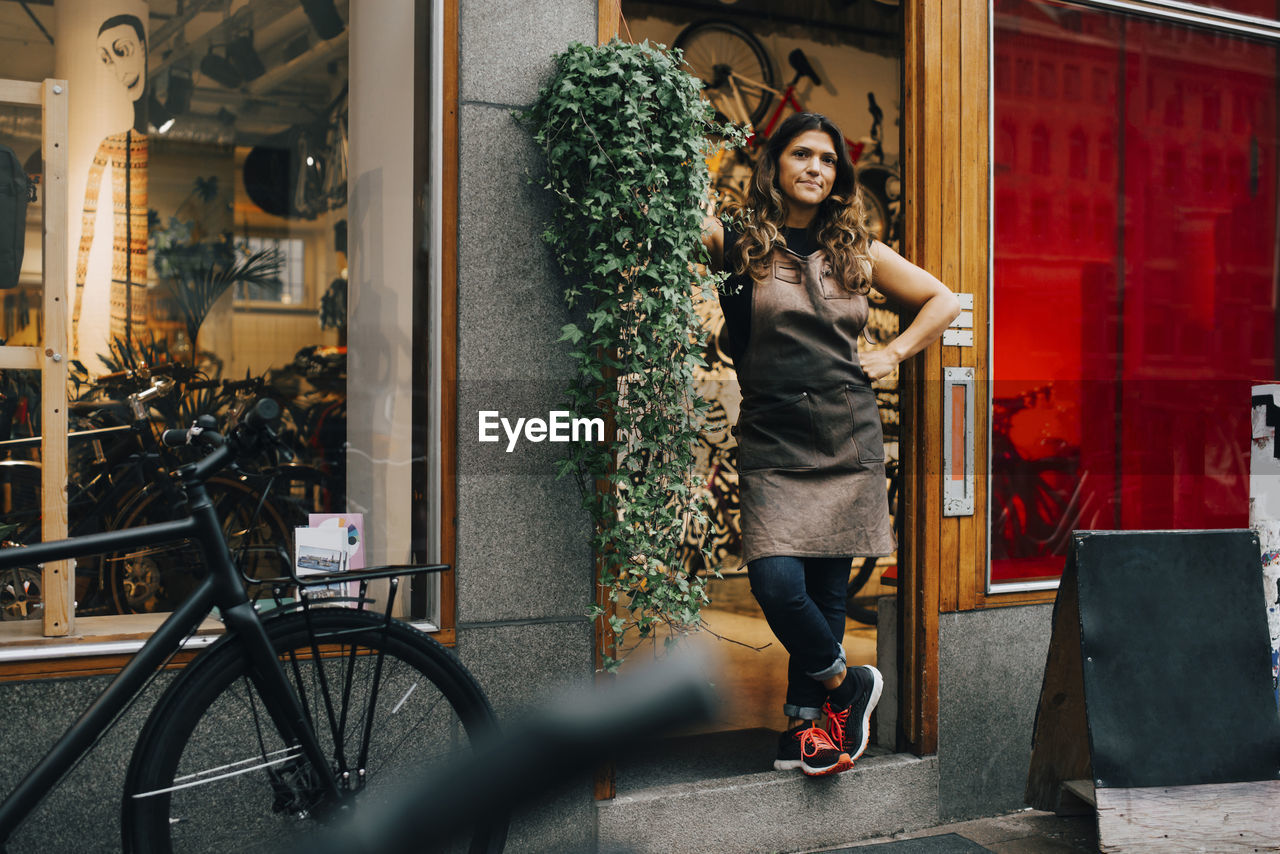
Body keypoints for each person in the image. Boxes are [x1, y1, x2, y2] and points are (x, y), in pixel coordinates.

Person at [701, 112, 960, 777]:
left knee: (825, 593)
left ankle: (806, 731)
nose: (816, 168)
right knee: (776, 581)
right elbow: (665, 232)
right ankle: (849, 685)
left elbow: (940, 300)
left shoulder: (856, 247)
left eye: (827, 159)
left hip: (847, 437)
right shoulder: (738, 240)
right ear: (775, 165)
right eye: (801, 155)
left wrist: (895, 352)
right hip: (774, 440)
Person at [73, 13, 151, 359]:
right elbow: (85, 248)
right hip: (106, 341)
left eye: (122, 51)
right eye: (107, 59)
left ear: (145, 49)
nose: (118, 69)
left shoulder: (138, 147)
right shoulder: (108, 146)